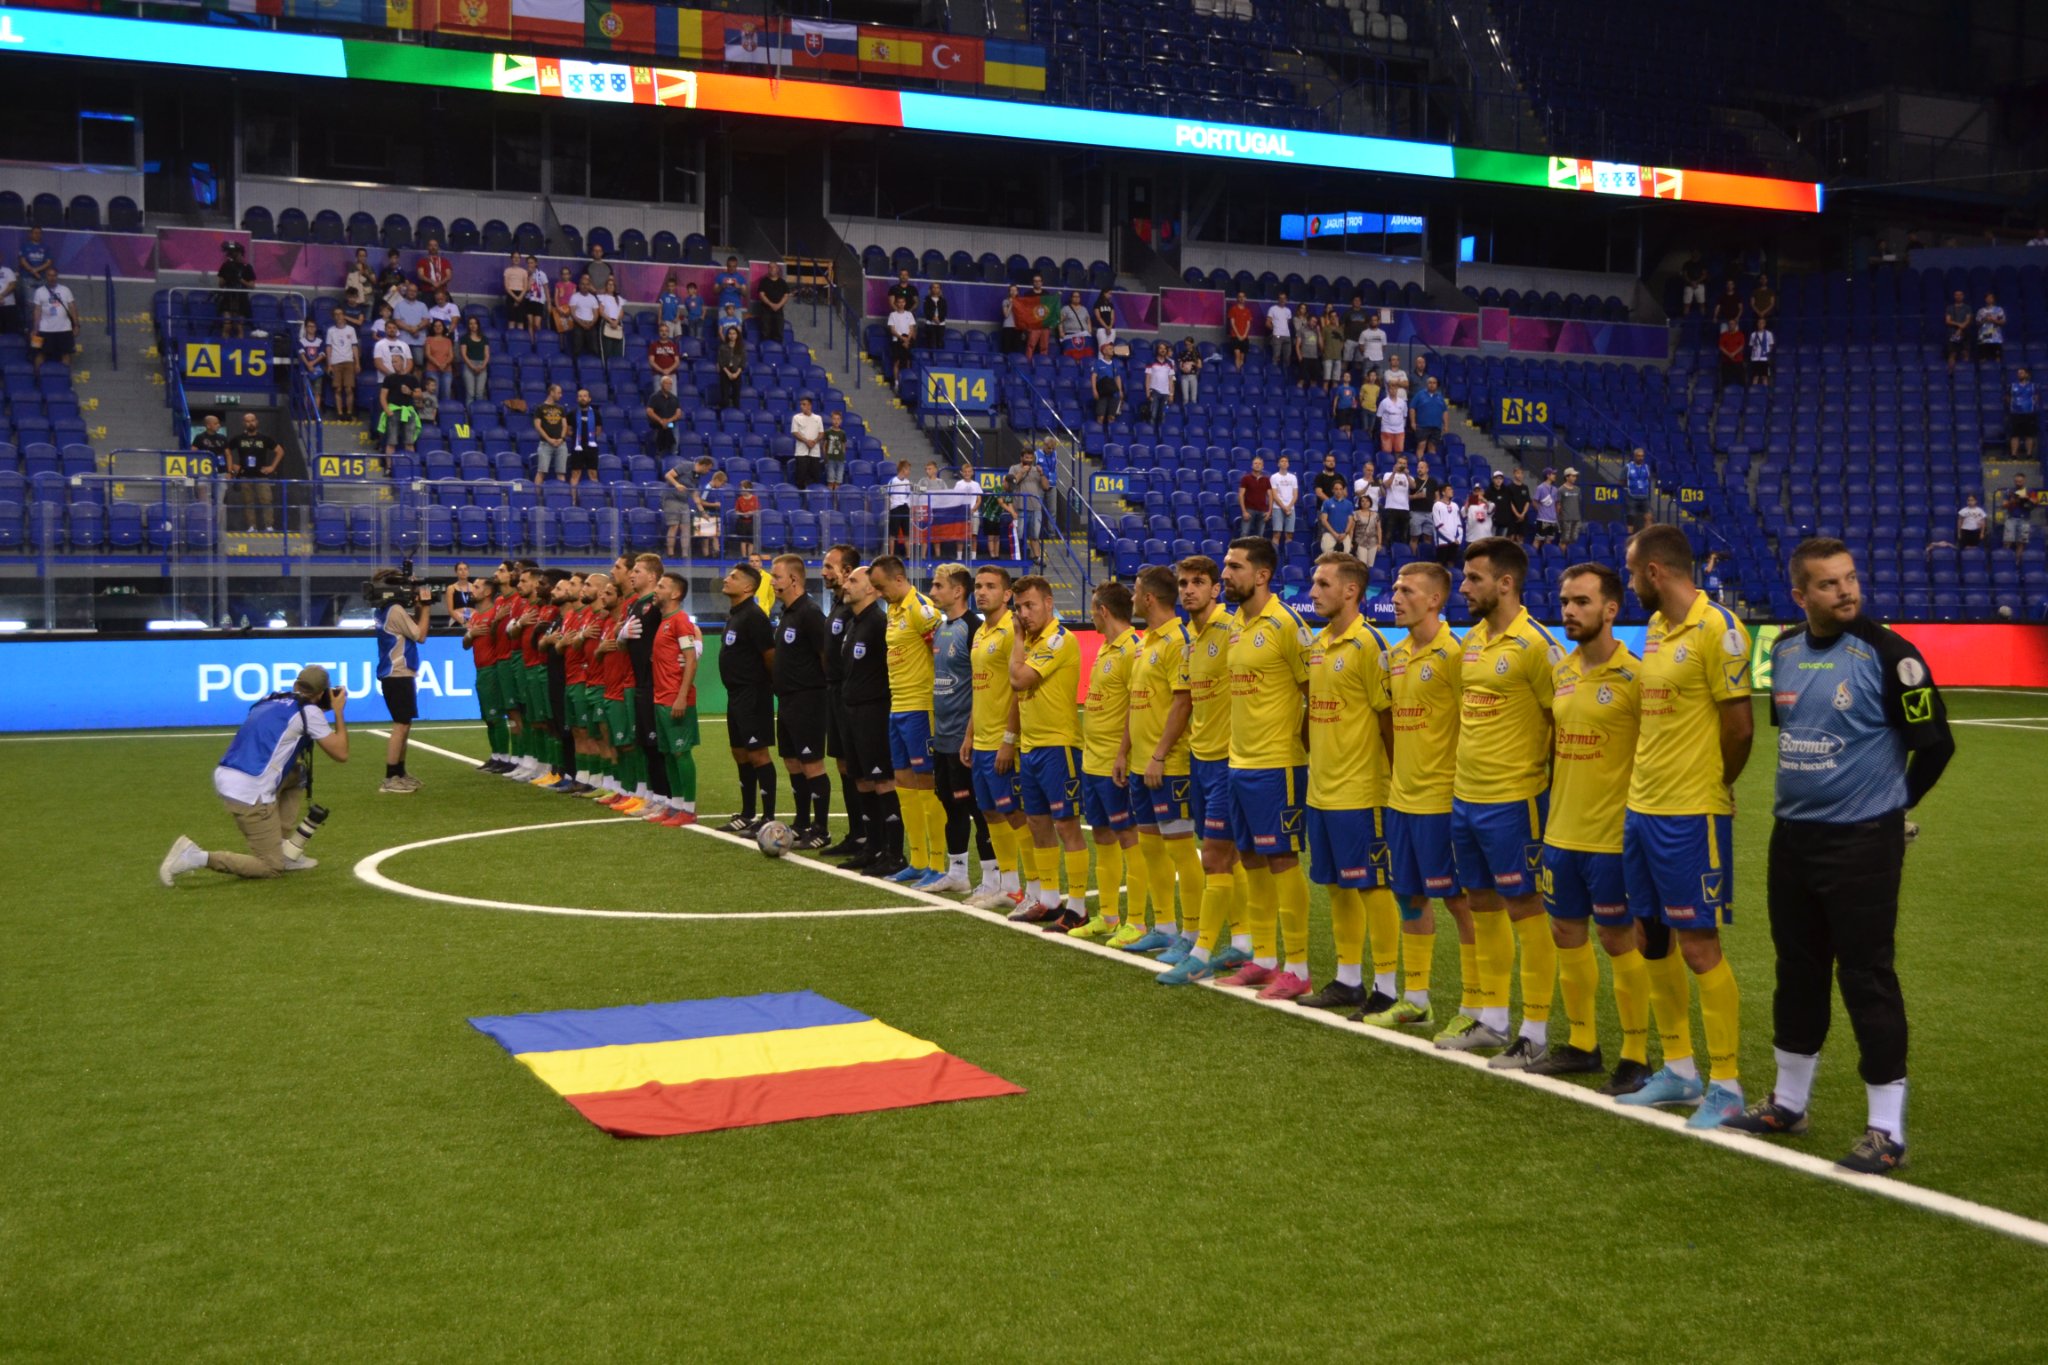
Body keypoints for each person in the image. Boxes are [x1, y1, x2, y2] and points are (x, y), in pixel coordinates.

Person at [1729, 539, 1954, 1174]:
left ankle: (1886, 1131)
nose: (1846, 591)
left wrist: (1893, 806)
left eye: (1850, 579)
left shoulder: (1892, 655)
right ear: (1800, 597)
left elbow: (1935, 745)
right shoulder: (1784, 651)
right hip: (1793, 838)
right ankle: (1787, 1104)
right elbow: (1800, 737)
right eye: (1829, 584)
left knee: (1866, 975)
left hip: (1862, 842)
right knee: (1797, 968)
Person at [1617, 523, 1754, 1128]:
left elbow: (1741, 727)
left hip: (1690, 812)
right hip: (1641, 809)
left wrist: (1715, 787)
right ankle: (1679, 1069)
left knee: (1699, 945)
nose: (1627, 582)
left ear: (1654, 572)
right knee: (1652, 937)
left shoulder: (1718, 628)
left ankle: (1725, 1083)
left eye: (1630, 571)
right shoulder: (1653, 629)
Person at [1437, 538, 1560, 1061]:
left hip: (1515, 800)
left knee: (1525, 908)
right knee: (1481, 903)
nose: (1462, 587)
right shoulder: (1471, 643)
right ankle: (1491, 1018)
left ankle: (1535, 1032)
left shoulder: (1536, 645)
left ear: (1505, 583)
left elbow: (1562, 721)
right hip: (1466, 798)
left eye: (1473, 579)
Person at [1533, 561, 1652, 1087]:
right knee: (1565, 932)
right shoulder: (1560, 673)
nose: (1569, 612)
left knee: (1619, 938)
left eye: (1581, 602)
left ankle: (1635, 1053)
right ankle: (1582, 1042)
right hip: (1561, 832)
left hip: (1611, 835)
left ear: (1611, 610)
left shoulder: (1637, 678)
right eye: (1564, 602)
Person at [1354, 561, 1468, 1027]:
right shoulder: (1395, 656)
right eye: (1396, 589)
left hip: (1443, 801)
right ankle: (1416, 1000)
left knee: (1463, 903)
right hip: (1401, 800)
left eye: (1407, 591)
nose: (1396, 597)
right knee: (1409, 899)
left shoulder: (1456, 655)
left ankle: (1479, 1007)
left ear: (1435, 600)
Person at [1198, 538, 1314, 996]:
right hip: (1237, 762)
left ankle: (1299, 968)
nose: (1225, 575)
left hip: (1276, 764)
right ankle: (1264, 959)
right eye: (1226, 567)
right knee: (1251, 859)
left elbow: (1313, 692)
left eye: (1234, 567)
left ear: (1262, 575)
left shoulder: (1286, 624)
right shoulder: (1236, 626)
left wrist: (1299, 749)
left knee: (1282, 859)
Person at [1289, 553, 1402, 1011]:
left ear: (1351, 591)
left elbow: (1389, 720)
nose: (1311, 592)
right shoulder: (1318, 646)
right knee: (1336, 886)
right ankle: (1348, 979)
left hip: (1361, 790)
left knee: (1373, 886)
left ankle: (1390, 987)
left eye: (1321, 584)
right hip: (1322, 789)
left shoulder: (1370, 645)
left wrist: (1394, 784)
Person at [159, 666, 348, 884]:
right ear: (322, 693)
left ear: (296, 684)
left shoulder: (270, 698)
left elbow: (288, 725)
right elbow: (341, 753)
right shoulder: (309, 712)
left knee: (297, 774)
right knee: (270, 866)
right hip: (250, 791)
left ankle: (284, 849)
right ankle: (195, 856)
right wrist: (338, 711)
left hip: (227, 772)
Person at [1153, 555, 1249, 984]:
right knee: (1229, 856)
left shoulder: (1232, 631)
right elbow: (1186, 700)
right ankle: (1244, 944)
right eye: (1184, 582)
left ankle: (1203, 949)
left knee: (1214, 856)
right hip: (1201, 759)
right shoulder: (1191, 638)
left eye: (1199, 582)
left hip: (1233, 760)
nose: (1189, 589)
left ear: (1216, 589)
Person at [1111, 566, 1204, 954]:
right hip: (1139, 764)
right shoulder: (1145, 641)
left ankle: (1194, 934)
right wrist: (1124, 751)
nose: (1131, 597)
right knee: (1151, 847)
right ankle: (1164, 926)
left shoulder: (1177, 640)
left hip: (1170, 765)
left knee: (1181, 848)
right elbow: (1138, 702)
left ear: (1148, 598)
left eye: (1135, 591)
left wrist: (1160, 755)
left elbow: (1183, 702)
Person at [1004, 575, 1090, 925]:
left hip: (1059, 745)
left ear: (1049, 604)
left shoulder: (1058, 638)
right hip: (1032, 747)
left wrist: (1018, 639)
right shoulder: (1034, 641)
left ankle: (1079, 908)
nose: (1024, 613)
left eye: (1031, 605)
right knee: (1038, 824)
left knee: (1067, 827)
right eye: (1020, 607)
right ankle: (1050, 900)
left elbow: (1019, 680)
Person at [1060, 582, 1144, 938]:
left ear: (1103, 611)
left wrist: (1123, 752)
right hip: (1093, 761)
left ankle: (1137, 921)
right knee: (1104, 838)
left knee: (1128, 836)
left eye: (1093, 609)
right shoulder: (1108, 648)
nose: (1091, 615)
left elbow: (1136, 706)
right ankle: (1108, 916)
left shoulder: (1132, 649)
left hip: (1114, 761)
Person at [871, 555, 945, 884]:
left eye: (881, 587)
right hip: (897, 707)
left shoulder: (921, 609)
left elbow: (945, 653)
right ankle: (917, 859)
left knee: (926, 784)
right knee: (903, 784)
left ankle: (940, 863)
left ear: (899, 579)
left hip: (920, 706)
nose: (879, 593)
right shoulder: (893, 609)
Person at [957, 565, 1029, 905]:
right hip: (981, 738)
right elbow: (979, 688)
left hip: (1003, 741)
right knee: (989, 812)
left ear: (1007, 594)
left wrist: (1009, 739)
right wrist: (970, 734)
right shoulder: (981, 633)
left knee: (1013, 812)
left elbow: (1018, 691)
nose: (981, 592)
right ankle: (1008, 885)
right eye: (978, 586)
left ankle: (1033, 885)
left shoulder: (1012, 631)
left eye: (990, 586)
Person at [926, 563, 995, 897]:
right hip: (942, 736)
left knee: (976, 808)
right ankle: (956, 873)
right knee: (949, 806)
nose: (933, 591)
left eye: (938, 586)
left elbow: (981, 687)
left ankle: (992, 876)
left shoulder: (973, 628)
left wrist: (970, 733)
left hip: (964, 739)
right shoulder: (942, 629)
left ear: (957, 591)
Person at [837, 565, 903, 871]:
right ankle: (873, 847)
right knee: (861, 779)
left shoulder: (878, 622)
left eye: (853, 580)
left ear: (871, 590)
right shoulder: (854, 622)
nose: (846, 584)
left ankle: (894, 852)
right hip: (852, 711)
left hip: (873, 711)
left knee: (882, 781)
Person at [770, 554, 832, 849]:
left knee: (812, 764)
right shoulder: (787, 613)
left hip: (808, 699)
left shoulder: (810, 613)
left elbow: (825, 657)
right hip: (787, 700)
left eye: (776, 576)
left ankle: (821, 829)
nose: (772, 582)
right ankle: (801, 822)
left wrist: (821, 692)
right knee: (792, 762)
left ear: (793, 580)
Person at [718, 560, 778, 833]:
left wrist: (766, 686)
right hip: (736, 695)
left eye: (733, 576)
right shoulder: (735, 615)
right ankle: (747, 812)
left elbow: (769, 655)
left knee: (758, 755)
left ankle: (767, 817)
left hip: (753, 694)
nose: (726, 579)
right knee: (740, 753)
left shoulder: (754, 616)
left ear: (748, 586)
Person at [644, 571, 703, 826]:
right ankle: (674, 806)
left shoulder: (679, 620)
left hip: (675, 698)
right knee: (668, 753)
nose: (656, 590)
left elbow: (691, 659)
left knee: (680, 753)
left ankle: (688, 810)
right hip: (661, 697)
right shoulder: (665, 621)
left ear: (675, 593)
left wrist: (681, 697)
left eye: (661, 586)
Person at [372, 570, 431, 794]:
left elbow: (412, 628)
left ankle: (400, 773)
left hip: (397, 673)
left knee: (404, 723)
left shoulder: (385, 610)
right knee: (401, 725)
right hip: (398, 673)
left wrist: (418, 608)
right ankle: (390, 777)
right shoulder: (395, 610)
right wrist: (425, 608)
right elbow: (420, 635)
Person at [227, 412, 284, 532]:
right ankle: (252, 526)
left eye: (252, 420)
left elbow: (280, 451)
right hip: (244, 475)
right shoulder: (239, 439)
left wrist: (272, 467)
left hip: (261, 475)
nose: (250, 423)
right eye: (247, 421)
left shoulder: (264, 438)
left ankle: (269, 526)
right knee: (248, 502)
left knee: (266, 500)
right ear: (244, 423)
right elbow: (226, 451)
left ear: (256, 422)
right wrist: (232, 466)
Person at [30, 269, 77, 372]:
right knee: (39, 354)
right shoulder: (39, 291)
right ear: (46, 277)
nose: (52, 278)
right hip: (44, 330)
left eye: (54, 275)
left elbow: (72, 307)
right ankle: (37, 380)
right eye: (49, 275)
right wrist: (35, 329)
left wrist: (76, 325)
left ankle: (66, 382)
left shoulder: (65, 290)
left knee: (66, 355)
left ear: (57, 276)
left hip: (64, 329)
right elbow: (37, 311)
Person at [566, 387, 603, 493]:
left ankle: (596, 498)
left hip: (591, 448)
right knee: (575, 474)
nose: (582, 398)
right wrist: (576, 436)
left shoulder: (596, 413)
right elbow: (567, 430)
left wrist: (589, 437)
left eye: (585, 396)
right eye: (580, 396)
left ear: (589, 399)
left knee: (593, 474)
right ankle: (573, 501)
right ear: (577, 399)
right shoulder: (572, 414)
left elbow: (598, 430)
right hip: (577, 448)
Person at [1411, 375, 1448, 460]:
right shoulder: (1420, 394)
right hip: (1422, 426)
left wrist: (1446, 425)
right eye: (1430, 383)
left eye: (1434, 383)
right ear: (1426, 384)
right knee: (1421, 445)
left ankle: (1431, 466)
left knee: (1432, 447)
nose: (1432, 385)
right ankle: (1419, 465)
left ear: (1436, 385)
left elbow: (1445, 411)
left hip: (1436, 427)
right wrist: (1413, 422)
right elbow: (1412, 408)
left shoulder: (1440, 397)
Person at [1380, 456, 1413, 546]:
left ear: (1407, 465)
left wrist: (1407, 475)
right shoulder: (1388, 474)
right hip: (1391, 508)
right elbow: (1386, 485)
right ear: (1396, 464)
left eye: (1404, 463)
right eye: (1400, 463)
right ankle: (1385, 553)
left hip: (1404, 509)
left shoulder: (1409, 476)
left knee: (1404, 535)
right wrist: (1394, 473)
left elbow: (1413, 486)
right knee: (1388, 534)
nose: (1402, 465)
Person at [1268, 454, 1299, 551]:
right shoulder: (1274, 477)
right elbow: (1275, 495)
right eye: (1282, 461)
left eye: (1286, 461)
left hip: (1291, 508)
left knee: (1289, 534)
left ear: (1288, 464)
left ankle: (1288, 554)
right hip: (1278, 508)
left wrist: (1289, 507)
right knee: (1277, 533)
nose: (1284, 463)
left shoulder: (1293, 477)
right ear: (1278, 464)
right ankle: (1274, 554)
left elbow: (1295, 495)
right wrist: (1284, 507)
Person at [421, 319, 455, 407]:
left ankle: (445, 416)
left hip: (447, 370)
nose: (438, 327)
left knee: (446, 394)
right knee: (433, 395)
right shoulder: (429, 339)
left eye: (440, 326)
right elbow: (427, 354)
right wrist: (438, 364)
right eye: (435, 326)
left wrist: (444, 364)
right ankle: (433, 418)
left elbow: (451, 356)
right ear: (433, 328)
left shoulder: (448, 341)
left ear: (443, 327)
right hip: (432, 370)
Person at [645, 375, 681, 458]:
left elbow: (678, 413)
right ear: (661, 384)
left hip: (670, 424)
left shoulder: (674, 398)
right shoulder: (654, 397)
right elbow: (649, 411)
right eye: (667, 383)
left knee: (672, 433)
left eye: (670, 384)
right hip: (658, 425)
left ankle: (673, 455)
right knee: (658, 440)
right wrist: (661, 421)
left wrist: (669, 421)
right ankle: (659, 458)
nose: (669, 386)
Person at [458, 316, 491, 405]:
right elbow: (463, 354)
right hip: (468, 365)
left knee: (479, 393)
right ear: (468, 326)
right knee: (470, 394)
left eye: (475, 323)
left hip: (482, 365)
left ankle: (478, 415)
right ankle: (469, 417)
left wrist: (482, 366)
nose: (473, 325)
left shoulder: (484, 338)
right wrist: (472, 366)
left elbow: (487, 355)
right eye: (470, 324)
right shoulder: (465, 338)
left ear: (478, 325)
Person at [1237, 455, 1271, 539]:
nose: (1257, 465)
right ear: (1252, 466)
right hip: (1249, 510)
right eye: (1255, 463)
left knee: (1260, 537)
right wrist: (1244, 511)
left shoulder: (1266, 480)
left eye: (1259, 463)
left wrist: (1269, 512)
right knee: (1244, 535)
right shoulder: (1246, 478)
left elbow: (1271, 496)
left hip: (1262, 511)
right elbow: (1241, 495)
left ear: (1262, 466)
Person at [885, 460, 914, 557]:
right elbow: (888, 495)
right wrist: (889, 508)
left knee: (907, 533)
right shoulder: (893, 481)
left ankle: (908, 555)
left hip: (905, 508)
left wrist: (908, 506)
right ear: (903, 470)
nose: (909, 472)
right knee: (893, 533)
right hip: (895, 508)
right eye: (908, 470)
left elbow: (908, 495)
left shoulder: (907, 482)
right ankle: (892, 554)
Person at [2001, 475, 2038, 552]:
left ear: (2024, 481)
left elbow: (2035, 502)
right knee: (2007, 541)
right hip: (2011, 519)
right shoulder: (2009, 491)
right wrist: (2014, 500)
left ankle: (2017, 563)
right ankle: (2007, 561)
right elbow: (2004, 505)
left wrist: (2027, 498)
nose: (2018, 483)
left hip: (2025, 520)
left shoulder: (2031, 491)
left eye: (2020, 481)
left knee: (2021, 543)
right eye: (2016, 481)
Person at [2009, 366, 2039, 460]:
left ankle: (2029, 454)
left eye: (2021, 373)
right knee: (2015, 435)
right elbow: (2007, 397)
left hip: (2028, 414)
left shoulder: (2032, 386)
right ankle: (2014, 455)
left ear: (2026, 374)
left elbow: (2036, 397)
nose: (2019, 374)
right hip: (2016, 414)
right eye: (2018, 373)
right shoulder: (2013, 386)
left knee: (2029, 435)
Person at [1430, 484, 1464, 566]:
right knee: (1440, 563)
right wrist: (1451, 538)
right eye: (1449, 489)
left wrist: (1459, 538)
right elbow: (1438, 524)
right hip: (1442, 539)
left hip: (1455, 539)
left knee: (1451, 561)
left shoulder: (1455, 505)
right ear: (1443, 492)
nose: (1452, 491)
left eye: (1452, 489)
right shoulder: (1437, 505)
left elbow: (1459, 523)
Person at [1143, 344, 1175, 426]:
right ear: (1157, 350)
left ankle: (1161, 436)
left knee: (1163, 415)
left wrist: (1171, 394)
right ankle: (1151, 435)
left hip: (1166, 393)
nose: (1163, 350)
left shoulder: (1169, 363)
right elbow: (1148, 378)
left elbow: (1170, 380)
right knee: (1152, 415)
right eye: (1161, 348)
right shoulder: (1151, 361)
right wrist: (1147, 392)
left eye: (1164, 348)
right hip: (1154, 392)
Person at [1318, 485, 1356, 555]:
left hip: (1344, 535)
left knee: (1346, 558)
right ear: (1333, 490)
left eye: (1341, 489)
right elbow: (1324, 520)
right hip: (1329, 534)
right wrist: (1334, 534)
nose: (1339, 491)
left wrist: (1345, 533)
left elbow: (1350, 521)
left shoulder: (1349, 504)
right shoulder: (1327, 502)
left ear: (1343, 490)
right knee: (1328, 558)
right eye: (1336, 489)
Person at [757, 261, 789, 342]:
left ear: (777, 269)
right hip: (766, 310)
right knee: (765, 332)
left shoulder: (782, 282)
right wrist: (771, 304)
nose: (771, 269)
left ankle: (777, 351)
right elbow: (761, 295)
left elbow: (786, 296)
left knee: (778, 332)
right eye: (770, 267)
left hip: (778, 311)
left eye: (773, 267)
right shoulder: (763, 281)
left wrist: (778, 305)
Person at [1091, 343, 1123, 424]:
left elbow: (1117, 378)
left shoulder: (1115, 364)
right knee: (1100, 416)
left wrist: (1120, 391)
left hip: (1113, 393)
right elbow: (1094, 377)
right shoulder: (1098, 363)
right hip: (1102, 393)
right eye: (1110, 349)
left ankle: (1110, 434)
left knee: (1112, 416)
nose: (1112, 350)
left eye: (1112, 349)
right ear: (1104, 351)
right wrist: (1094, 390)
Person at [887, 300, 917, 383]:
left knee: (907, 361)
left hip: (907, 341)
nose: (901, 304)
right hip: (897, 341)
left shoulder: (909, 314)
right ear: (896, 303)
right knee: (897, 362)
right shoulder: (892, 315)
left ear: (905, 303)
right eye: (899, 302)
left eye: (903, 302)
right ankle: (896, 382)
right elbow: (892, 330)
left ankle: (906, 381)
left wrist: (907, 339)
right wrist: (901, 338)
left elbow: (911, 329)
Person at [716, 326, 746, 409]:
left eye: (734, 334)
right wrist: (728, 373)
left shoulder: (741, 348)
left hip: (737, 373)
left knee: (736, 399)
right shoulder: (723, 347)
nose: (732, 335)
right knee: (725, 399)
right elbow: (721, 362)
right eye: (730, 333)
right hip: (725, 373)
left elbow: (743, 363)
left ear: (737, 335)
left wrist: (736, 374)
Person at [1624, 447, 1653, 531]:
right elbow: (1622, 480)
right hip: (1632, 496)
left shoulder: (1646, 467)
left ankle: (1647, 536)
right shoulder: (1628, 467)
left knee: (1648, 516)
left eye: (1642, 456)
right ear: (1634, 456)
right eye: (1638, 456)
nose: (1641, 458)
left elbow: (1648, 479)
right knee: (1631, 518)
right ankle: (1629, 537)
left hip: (1644, 496)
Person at [1266, 290, 1295, 372]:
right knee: (1276, 355)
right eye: (1280, 298)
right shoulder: (1272, 309)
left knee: (1287, 357)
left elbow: (1287, 323)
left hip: (1287, 336)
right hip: (1277, 335)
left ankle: (1285, 376)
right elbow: (1267, 323)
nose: (1282, 300)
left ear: (1286, 300)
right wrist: (1275, 329)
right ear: (1278, 299)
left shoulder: (1288, 310)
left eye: (1284, 298)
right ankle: (1274, 374)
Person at [1944, 290, 1973, 372]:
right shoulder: (1950, 308)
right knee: (1952, 353)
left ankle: (1966, 372)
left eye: (1960, 295)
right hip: (1953, 333)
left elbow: (1968, 320)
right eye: (1956, 295)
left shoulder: (1967, 308)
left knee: (1965, 352)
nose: (1958, 296)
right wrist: (1958, 325)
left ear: (1963, 296)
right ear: (1954, 296)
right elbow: (1948, 321)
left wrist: (1960, 329)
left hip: (1965, 332)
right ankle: (1951, 373)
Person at [597, 279, 626, 359]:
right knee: (607, 349)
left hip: (617, 323)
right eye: (608, 284)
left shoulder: (619, 299)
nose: (610, 286)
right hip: (606, 323)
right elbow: (601, 311)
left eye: (612, 285)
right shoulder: (602, 297)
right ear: (606, 286)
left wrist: (616, 321)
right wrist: (610, 321)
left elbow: (621, 312)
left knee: (618, 348)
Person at [1377, 380, 1408, 455]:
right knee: (1386, 452)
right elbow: (1379, 416)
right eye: (1391, 388)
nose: (1393, 390)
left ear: (1397, 390)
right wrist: (1386, 424)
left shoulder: (1402, 402)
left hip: (1399, 430)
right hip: (1387, 430)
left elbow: (1404, 416)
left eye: (1395, 389)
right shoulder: (1384, 402)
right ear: (1388, 390)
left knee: (1399, 452)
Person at [1976, 291, 2006, 364]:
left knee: (1997, 359)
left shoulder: (1999, 310)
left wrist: (1993, 320)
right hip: (1984, 336)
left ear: (1993, 299)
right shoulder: (1981, 311)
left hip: (1996, 337)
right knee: (1983, 359)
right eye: (1987, 298)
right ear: (1985, 299)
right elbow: (1977, 323)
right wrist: (1985, 320)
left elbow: (2003, 322)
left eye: (1991, 298)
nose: (1989, 299)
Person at [1226, 291, 1253, 371]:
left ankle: (1241, 372)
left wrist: (1244, 335)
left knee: (1242, 357)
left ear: (1245, 298)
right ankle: (1237, 372)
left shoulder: (1247, 311)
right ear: (1237, 298)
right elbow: (1232, 323)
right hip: (1235, 336)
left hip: (1244, 337)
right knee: (1237, 355)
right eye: (1239, 297)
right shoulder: (1233, 309)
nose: (1241, 298)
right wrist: (1238, 335)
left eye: (1243, 297)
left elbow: (1248, 324)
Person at [917, 280, 946, 350]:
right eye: (934, 287)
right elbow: (926, 311)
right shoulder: (927, 299)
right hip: (930, 324)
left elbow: (944, 312)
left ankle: (938, 358)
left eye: (937, 287)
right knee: (931, 343)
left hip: (940, 324)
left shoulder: (943, 300)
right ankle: (931, 358)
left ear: (940, 289)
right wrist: (933, 318)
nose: (935, 289)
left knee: (940, 343)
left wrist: (939, 319)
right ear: (931, 289)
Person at [1558, 468, 1583, 546]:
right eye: (1573, 476)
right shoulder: (1561, 489)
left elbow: (1579, 501)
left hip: (1576, 518)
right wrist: (1559, 517)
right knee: (1564, 540)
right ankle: (1561, 557)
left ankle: (1569, 556)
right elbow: (1558, 505)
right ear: (1567, 477)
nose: (1575, 478)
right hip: (1565, 518)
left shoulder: (1577, 489)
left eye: (1575, 476)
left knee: (1574, 539)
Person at [1176, 337, 1203, 406]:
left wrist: (1192, 363)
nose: (1187, 346)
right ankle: (1185, 413)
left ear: (1192, 344)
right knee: (1185, 398)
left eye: (1189, 344)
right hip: (1184, 376)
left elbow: (1200, 365)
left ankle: (1193, 412)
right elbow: (1180, 365)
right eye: (1186, 344)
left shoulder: (1196, 353)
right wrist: (1183, 368)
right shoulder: (1182, 353)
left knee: (1193, 398)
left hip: (1193, 376)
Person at [1747, 321, 1775, 386]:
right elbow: (1751, 345)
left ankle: (1766, 394)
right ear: (1757, 324)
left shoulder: (1769, 334)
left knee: (1765, 377)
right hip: (1755, 359)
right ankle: (1754, 394)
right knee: (1755, 377)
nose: (1760, 324)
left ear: (1764, 324)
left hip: (1764, 359)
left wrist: (1766, 353)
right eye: (1759, 323)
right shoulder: (1753, 334)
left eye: (1762, 323)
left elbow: (1771, 345)